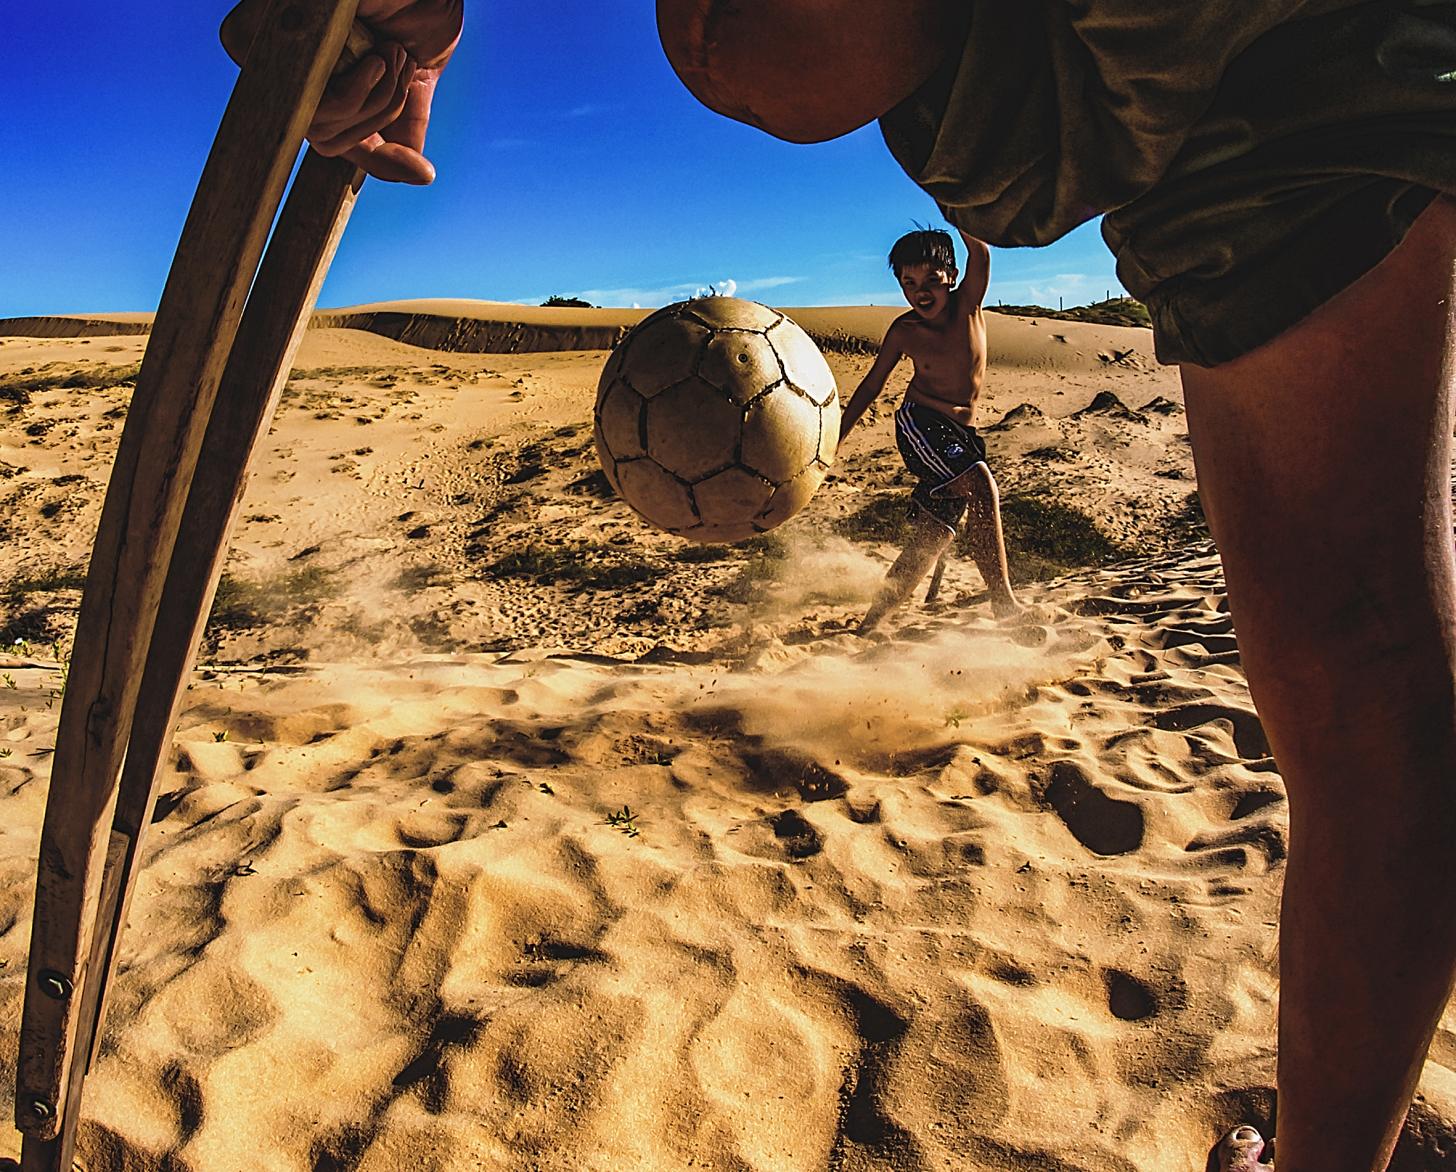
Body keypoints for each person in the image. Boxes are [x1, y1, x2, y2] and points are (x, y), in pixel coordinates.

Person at [658, 3, 1456, 1171]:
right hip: (1255, 143)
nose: (928, 280)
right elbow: (883, 352)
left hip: (1262, 130)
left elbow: (802, 69)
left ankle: (925, 601)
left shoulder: (974, 291)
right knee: (1347, 666)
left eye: (932, 266)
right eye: (917, 268)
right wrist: (849, 415)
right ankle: (945, 600)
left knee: (1353, 673)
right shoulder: (905, 321)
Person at [837, 227, 1020, 631]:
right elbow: (872, 384)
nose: (921, 292)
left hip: (959, 434)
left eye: (932, 281)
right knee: (980, 482)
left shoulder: (968, 306)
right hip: (920, 423)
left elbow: (981, 248)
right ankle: (1003, 603)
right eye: (909, 283)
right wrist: (839, 436)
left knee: (933, 536)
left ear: (952, 277)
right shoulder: (905, 331)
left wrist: (952, 200)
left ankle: (870, 625)